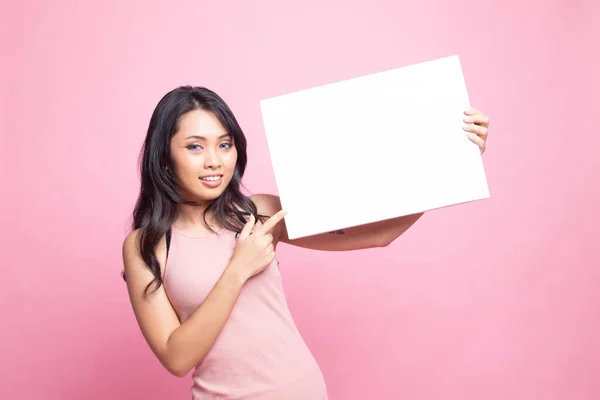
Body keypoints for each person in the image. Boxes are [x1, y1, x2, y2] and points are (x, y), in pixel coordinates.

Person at [122, 86, 490, 399]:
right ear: (165, 157)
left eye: (224, 144)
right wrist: (237, 270)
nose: (215, 161)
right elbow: (176, 357)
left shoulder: (259, 212)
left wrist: (456, 162)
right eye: (195, 147)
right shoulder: (146, 245)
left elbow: (379, 234)